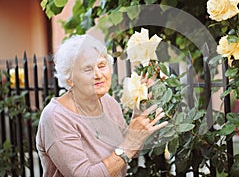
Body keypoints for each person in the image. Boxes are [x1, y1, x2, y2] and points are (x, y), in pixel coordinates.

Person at [36, 34, 168, 177]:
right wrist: (129, 144)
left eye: (101, 65)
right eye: (88, 69)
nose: (98, 74)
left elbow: (131, 150)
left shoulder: (108, 102)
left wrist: (139, 111)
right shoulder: (56, 117)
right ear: (70, 79)